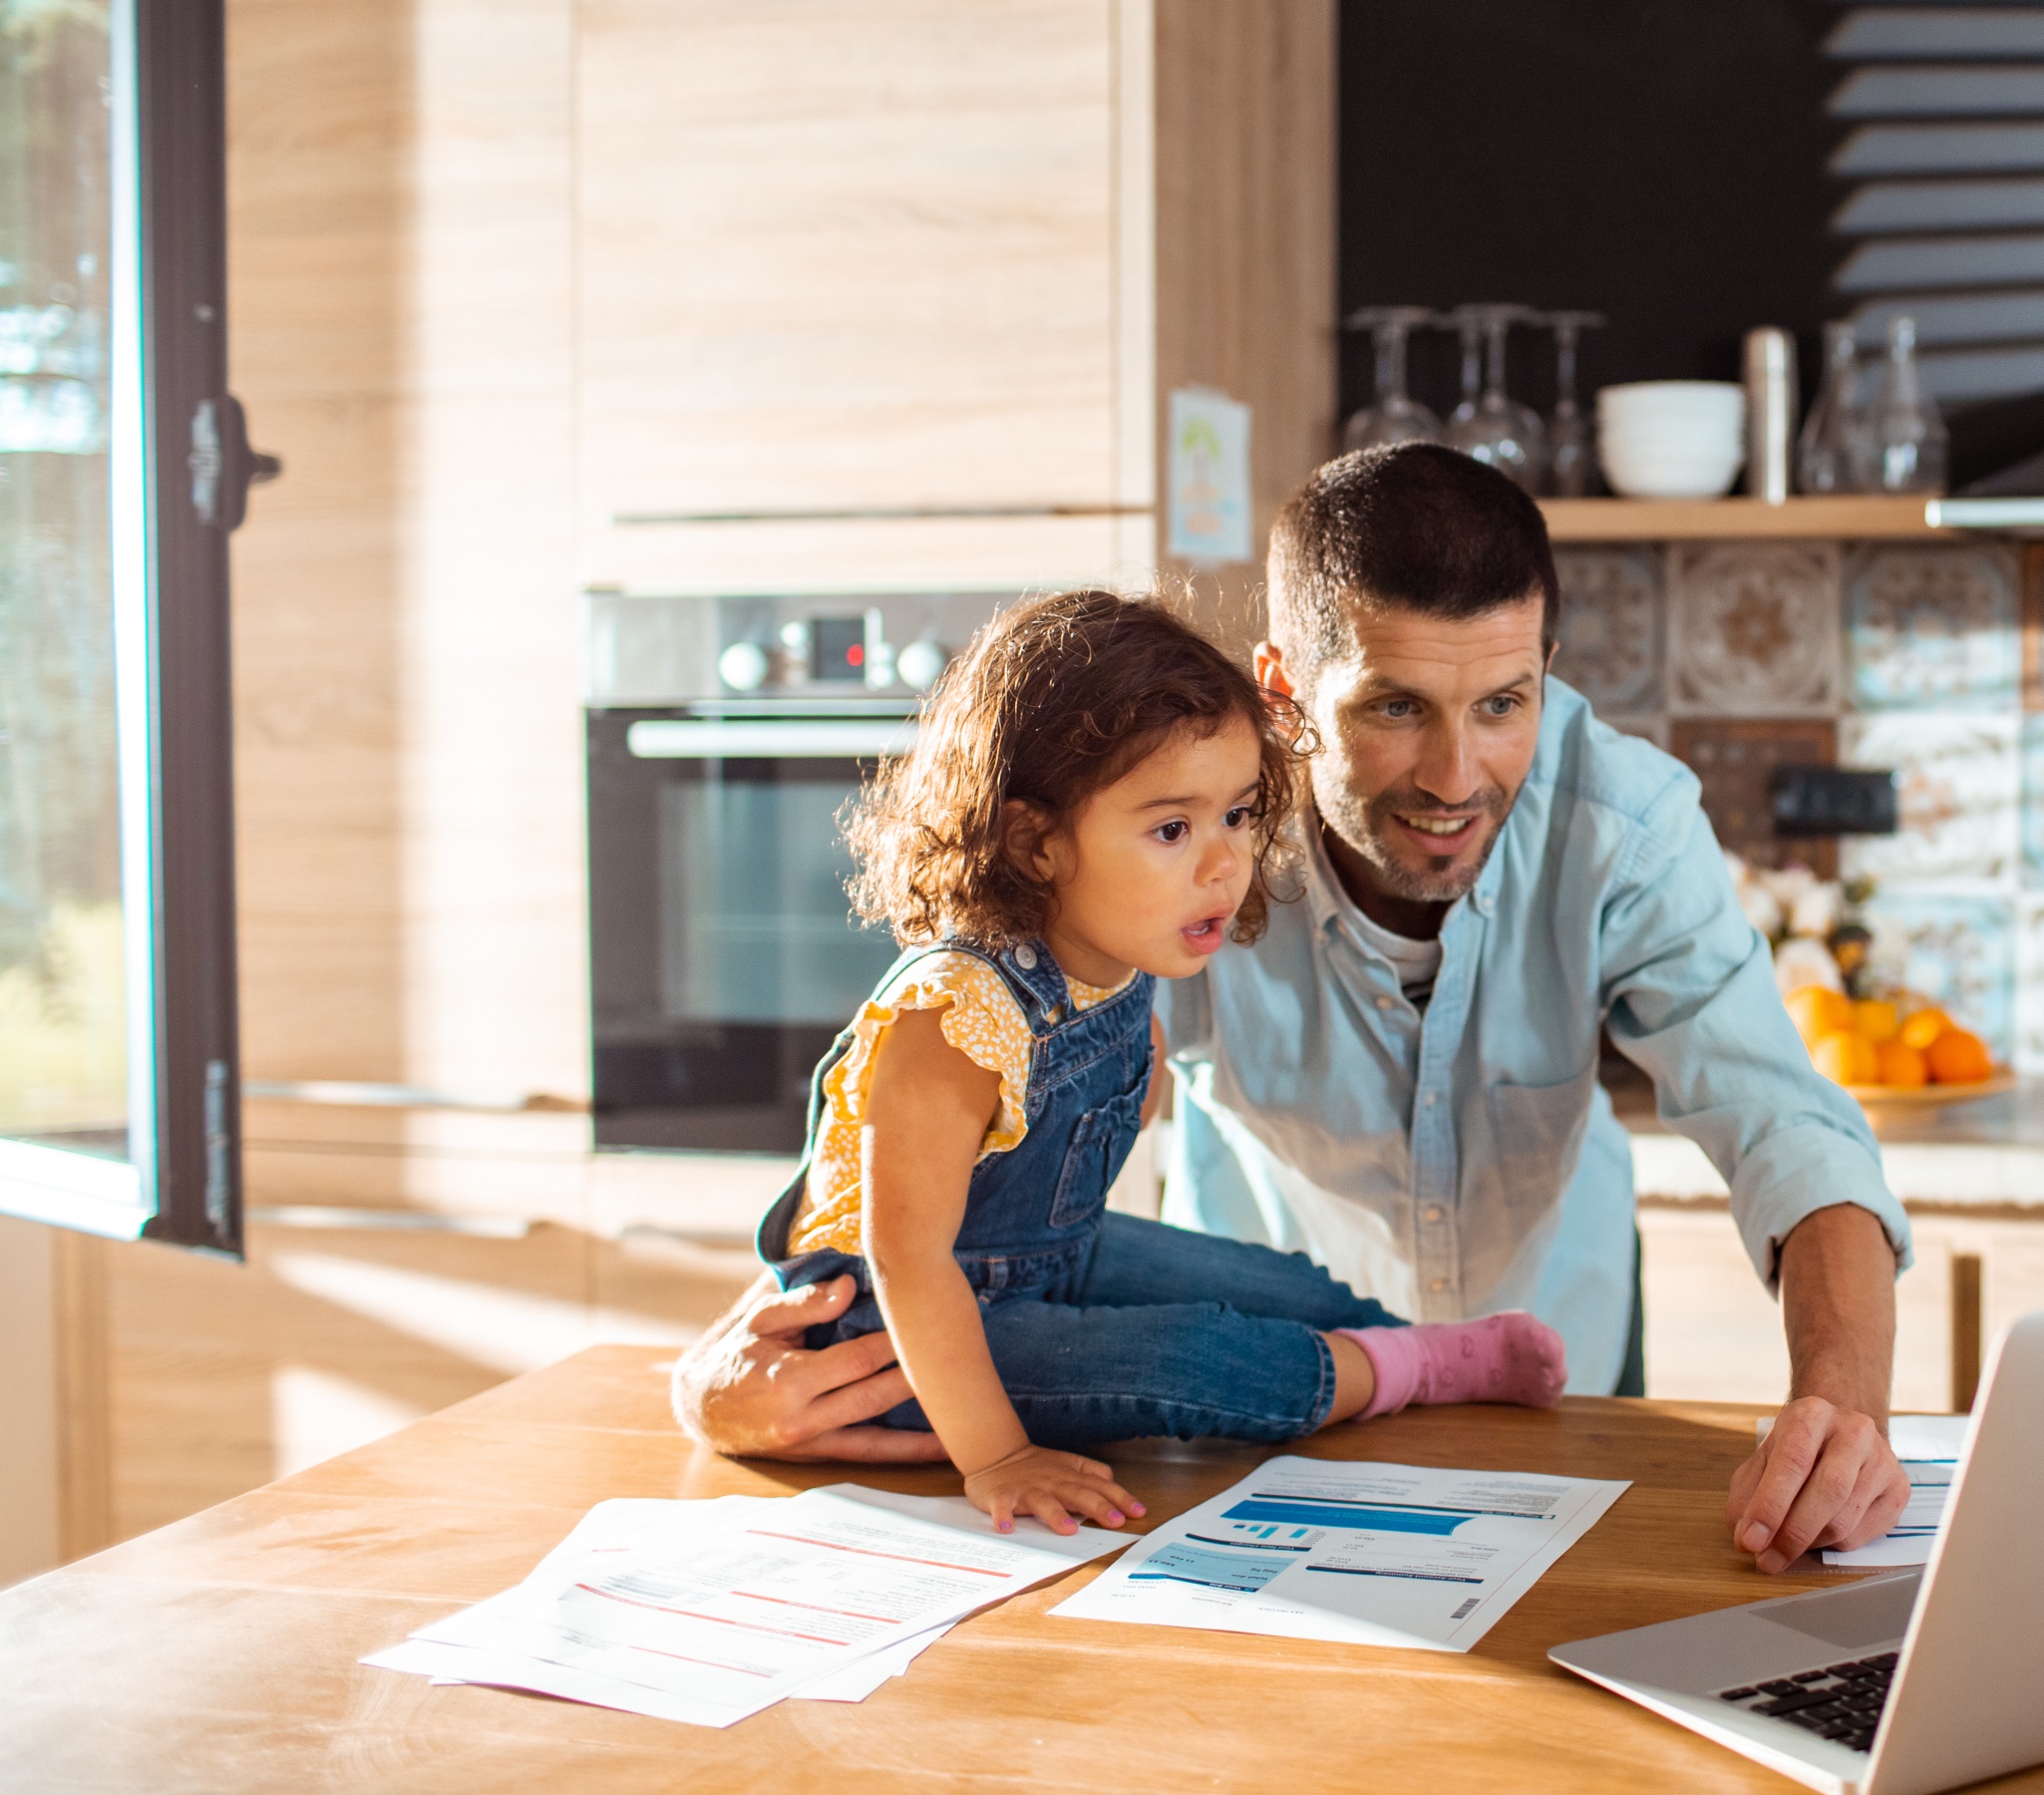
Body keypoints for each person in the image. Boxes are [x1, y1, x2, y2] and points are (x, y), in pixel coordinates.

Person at [678, 446, 1915, 1573]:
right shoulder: (1185, 833)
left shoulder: (1625, 825)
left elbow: (1783, 1127)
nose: (1454, 776)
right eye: (1392, 708)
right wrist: (715, 1373)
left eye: (1502, 704)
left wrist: (1846, 1408)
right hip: (1237, 1441)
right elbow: (902, 1185)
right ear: (1282, 690)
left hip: (1555, 1368)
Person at [753, 588, 1566, 1536]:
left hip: (1049, 1262)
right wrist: (1001, 1456)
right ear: (1036, 842)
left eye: (1238, 813)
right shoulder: (956, 1014)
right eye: (1173, 829)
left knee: (1290, 1292)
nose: (1224, 863)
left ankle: (1413, 1370)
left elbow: (1095, 1140)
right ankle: (1415, 1372)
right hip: (894, 1326)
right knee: (1188, 1357)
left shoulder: (1123, 951)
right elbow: (908, 1258)